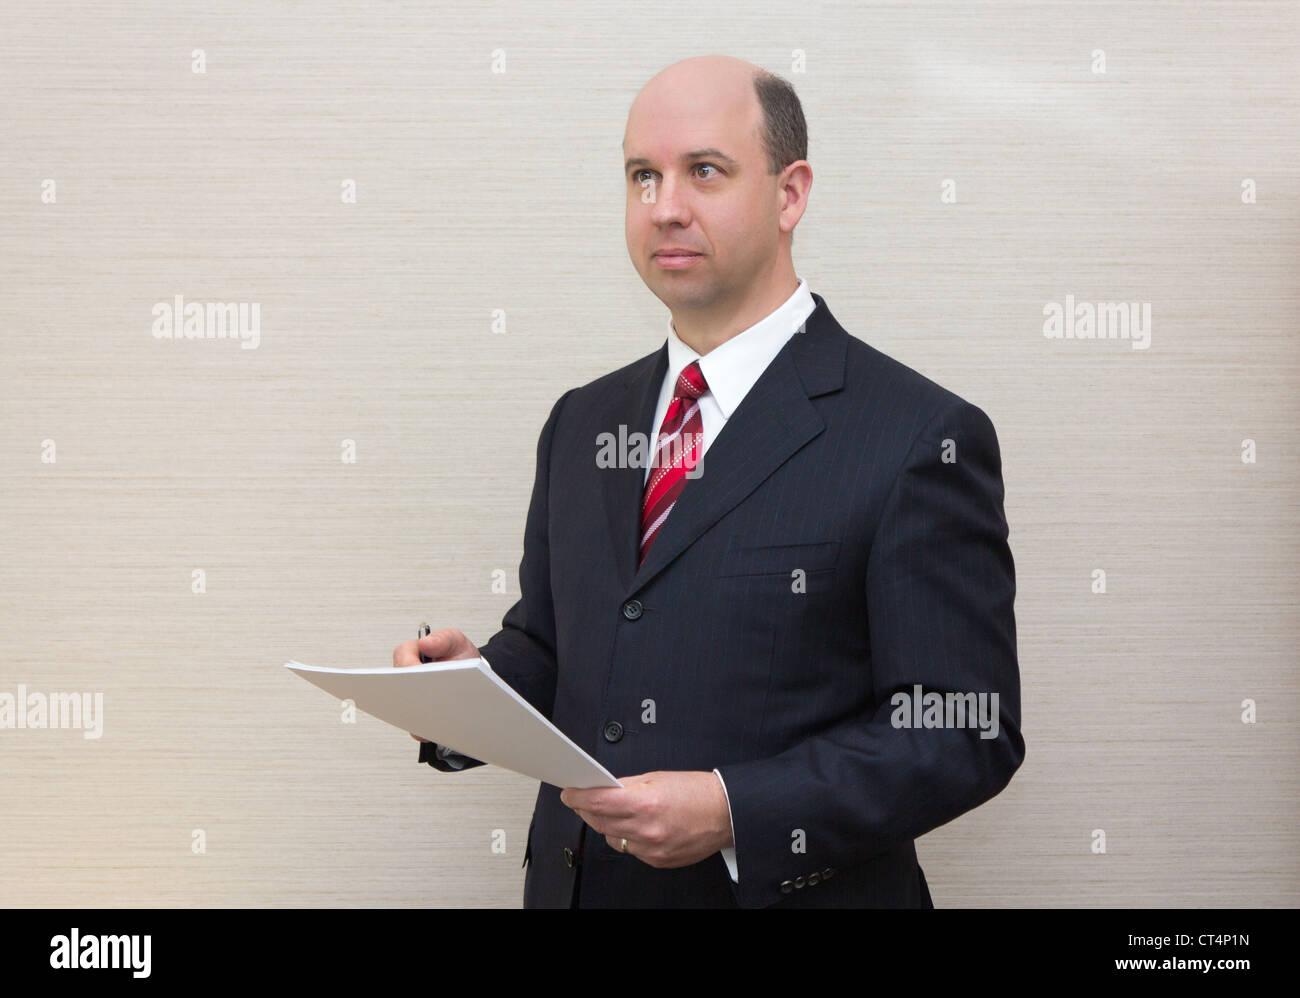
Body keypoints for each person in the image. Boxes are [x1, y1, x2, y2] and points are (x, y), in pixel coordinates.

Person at [393, 54, 1024, 908]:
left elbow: (962, 732)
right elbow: (557, 649)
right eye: (642, 176)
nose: (665, 208)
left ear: (790, 194)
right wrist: (466, 692)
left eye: (705, 172)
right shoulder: (582, 422)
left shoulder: (918, 435)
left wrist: (737, 810)